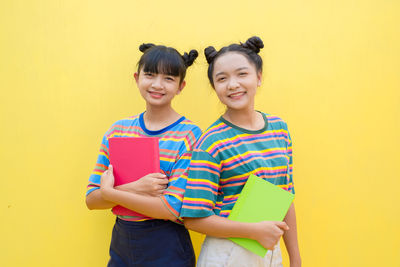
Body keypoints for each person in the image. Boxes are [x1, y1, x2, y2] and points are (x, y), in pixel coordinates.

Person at [180, 37, 301, 267]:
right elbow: (193, 218)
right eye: (222, 79)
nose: (232, 84)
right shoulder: (211, 142)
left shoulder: (279, 128)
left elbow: (286, 197)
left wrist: (295, 258)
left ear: (259, 77)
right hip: (228, 254)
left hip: (269, 250)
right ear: (215, 87)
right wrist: (253, 231)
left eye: (241, 74)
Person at [85, 43, 201, 267]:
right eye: (150, 74)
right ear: (137, 78)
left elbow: (171, 209)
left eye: (168, 78)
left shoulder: (189, 135)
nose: (157, 84)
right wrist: (135, 188)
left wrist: (110, 192)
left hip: (167, 245)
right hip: (121, 242)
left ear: (180, 86)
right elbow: (91, 199)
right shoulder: (118, 131)